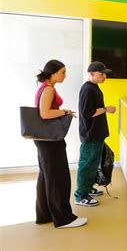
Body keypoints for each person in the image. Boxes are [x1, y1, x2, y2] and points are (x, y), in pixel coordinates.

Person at [34, 59, 87, 228]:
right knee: (58, 177)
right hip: (50, 140)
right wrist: (64, 112)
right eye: (63, 72)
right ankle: (63, 218)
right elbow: (44, 113)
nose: (65, 75)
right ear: (53, 73)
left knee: (47, 177)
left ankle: (45, 215)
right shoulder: (48, 89)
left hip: (44, 139)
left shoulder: (44, 86)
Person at [74, 61, 116, 207]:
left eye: (105, 74)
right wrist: (106, 109)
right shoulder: (87, 90)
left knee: (92, 164)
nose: (105, 76)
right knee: (87, 164)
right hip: (90, 135)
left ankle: (88, 188)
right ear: (91, 73)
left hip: (97, 133)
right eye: (101, 74)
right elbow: (87, 113)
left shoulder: (94, 87)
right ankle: (80, 196)